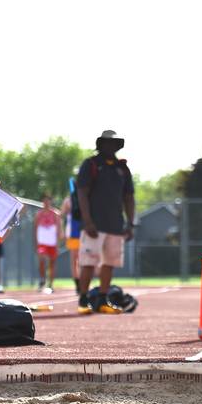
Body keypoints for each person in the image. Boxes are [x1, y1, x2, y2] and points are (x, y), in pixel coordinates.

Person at [76, 130, 135, 315]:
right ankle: (83, 300)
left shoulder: (122, 168)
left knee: (109, 263)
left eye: (114, 143)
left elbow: (129, 197)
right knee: (88, 262)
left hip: (115, 225)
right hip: (94, 224)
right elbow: (82, 193)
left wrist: (130, 223)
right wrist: (87, 221)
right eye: (107, 143)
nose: (110, 146)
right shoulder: (91, 164)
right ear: (100, 145)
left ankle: (103, 299)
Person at [34, 194, 62, 294]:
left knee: (52, 263)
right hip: (42, 242)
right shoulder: (39, 214)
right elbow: (35, 228)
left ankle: (51, 284)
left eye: (48, 201)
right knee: (41, 260)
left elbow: (59, 229)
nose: (46, 203)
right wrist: (36, 242)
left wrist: (58, 243)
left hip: (52, 242)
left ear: (50, 202)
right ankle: (42, 280)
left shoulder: (55, 214)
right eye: (44, 201)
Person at [61, 180, 83, 293]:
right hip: (73, 233)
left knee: (82, 259)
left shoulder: (85, 198)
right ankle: (78, 283)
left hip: (84, 232)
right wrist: (62, 231)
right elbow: (62, 215)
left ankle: (83, 282)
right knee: (75, 260)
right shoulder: (68, 201)